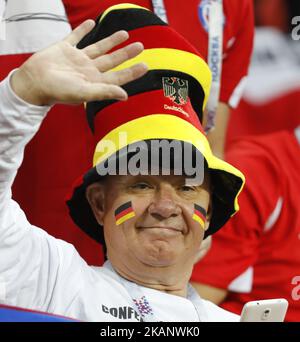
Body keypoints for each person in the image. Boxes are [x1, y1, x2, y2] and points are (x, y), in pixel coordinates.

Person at [0, 6, 245, 321]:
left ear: (209, 210)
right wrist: (21, 94)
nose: (166, 206)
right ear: (99, 203)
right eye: (142, 184)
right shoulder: (54, 283)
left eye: (187, 187)